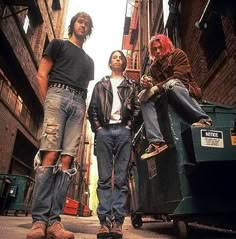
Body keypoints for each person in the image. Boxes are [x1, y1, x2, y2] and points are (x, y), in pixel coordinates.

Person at [26, 12, 94, 239]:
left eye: (86, 24)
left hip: (78, 103)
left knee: (67, 160)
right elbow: (41, 74)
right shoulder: (57, 44)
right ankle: (38, 222)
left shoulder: (89, 61)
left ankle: (54, 222)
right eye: (80, 21)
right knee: (50, 156)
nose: (82, 25)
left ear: (89, 29)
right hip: (57, 95)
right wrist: (47, 104)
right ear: (73, 25)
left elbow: (84, 87)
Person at [88, 50, 141, 239]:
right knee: (103, 178)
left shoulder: (131, 85)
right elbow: (92, 108)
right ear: (110, 62)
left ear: (124, 62)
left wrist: (128, 126)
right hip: (104, 132)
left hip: (123, 131)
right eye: (114, 57)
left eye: (120, 57)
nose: (117, 59)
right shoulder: (100, 85)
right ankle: (104, 223)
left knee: (120, 178)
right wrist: (98, 128)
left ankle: (117, 223)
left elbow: (137, 108)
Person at [138, 34, 212, 160]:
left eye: (160, 47)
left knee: (171, 84)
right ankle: (157, 142)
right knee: (144, 99)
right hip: (166, 100)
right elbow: (155, 88)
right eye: (154, 49)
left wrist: (155, 87)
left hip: (184, 91)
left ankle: (204, 119)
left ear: (166, 45)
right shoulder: (153, 68)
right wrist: (148, 85)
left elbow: (180, 77)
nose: (158, 51)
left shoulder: (178, 54)